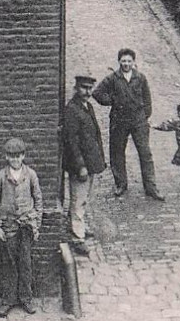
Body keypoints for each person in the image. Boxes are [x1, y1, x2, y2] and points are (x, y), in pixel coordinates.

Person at [92, 48, 165, 201]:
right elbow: (97, 93)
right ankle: (121, 184)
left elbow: (147, 97)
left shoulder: (140, 78)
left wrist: (145, 116)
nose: (126, 64)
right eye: (123, 61)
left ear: (133, 62)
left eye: (129, 61)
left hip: (138, 120)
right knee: (117, 152)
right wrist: (112, 101)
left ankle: (151, 187)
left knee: (145, 153)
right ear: (119, 62)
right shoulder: (112, 78)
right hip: (119, 120)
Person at [0, 137, 43, 316]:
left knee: (26, 263)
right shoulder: (1, 177)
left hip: (26, 225)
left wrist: (36, 224)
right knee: (9, 264)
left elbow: (38, 200)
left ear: (23, 156)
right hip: (9, 226)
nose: (15, 160)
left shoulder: (31, 175)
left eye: (18, 156)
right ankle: (8, 300)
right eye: (12, 157)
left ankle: (26, 298)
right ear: (6, 157)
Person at [62, 74, 106, 256]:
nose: (87, 92)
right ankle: (77, 237)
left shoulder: (87, 107)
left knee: (85, 198)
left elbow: (94, 134)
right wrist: (80, 166)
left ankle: (79, 227)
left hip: (90, 163)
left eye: (90, 88)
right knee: (77, 200)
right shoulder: (72, 110)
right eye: (84, 88)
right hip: (80, 165)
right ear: (76, 88)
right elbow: (71, 141)